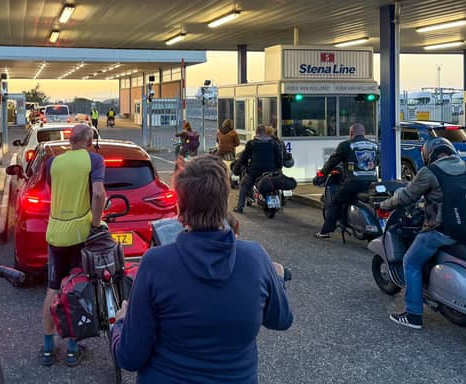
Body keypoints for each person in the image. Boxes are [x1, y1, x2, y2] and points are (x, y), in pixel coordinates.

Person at [111, 155, 292, 383]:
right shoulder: (255, 258)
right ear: (224, 202)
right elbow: (282, 319)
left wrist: (120, 322)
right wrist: (276, 279)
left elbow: (129, 357)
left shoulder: (155, 264)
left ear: (180, 207)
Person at [379, 137, 466, 329]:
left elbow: (406, 197)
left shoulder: (429, 172)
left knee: (411, 261)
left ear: (428, 155)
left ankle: (413, 314)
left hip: (441, 232)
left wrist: (384, 204)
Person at [41, 124, 106, 367]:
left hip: (56, 232)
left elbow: (53, 191)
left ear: (70, 141)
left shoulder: (52, 163)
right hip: (80, 232)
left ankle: (48, 349)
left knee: (53, 289)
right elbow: (98, 194)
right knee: (76, 289)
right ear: (89, 142)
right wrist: (96, 224)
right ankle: (71, 348)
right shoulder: (95, 160)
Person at [314, 123, 379, 239]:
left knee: (336, 203)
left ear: (351, 133)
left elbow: (332, 162)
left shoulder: (346, 145)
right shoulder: (374, 145)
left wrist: (323, 173)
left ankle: (325, 232)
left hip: (353, 182)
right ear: (364, 133)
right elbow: (377, 161)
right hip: (371, 182)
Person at [233, 124, 283, 214]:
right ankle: (277, 203)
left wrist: (244, 165)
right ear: (266, 133)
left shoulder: (251, 143)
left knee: (244, 184)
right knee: (275, 183)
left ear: (256, 132)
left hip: (255, 172)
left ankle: (240, 207)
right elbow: (279, 158)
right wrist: (278, 168)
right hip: (271, 171)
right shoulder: (274, 143)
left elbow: (244, 158)